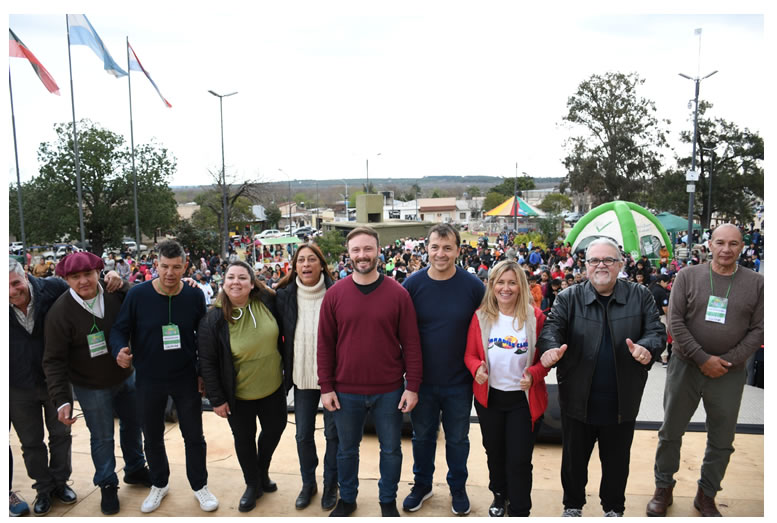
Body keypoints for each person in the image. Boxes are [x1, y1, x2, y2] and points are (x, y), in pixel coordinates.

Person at [537, 237, 666, 517]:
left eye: (608, 260)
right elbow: (552, 328)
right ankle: (572, 505)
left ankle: (613, 508)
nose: (601, 265)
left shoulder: (639, 295)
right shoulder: (569, 297)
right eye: (594, 260)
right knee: (573, 460)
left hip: (622, 398)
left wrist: (648, 347)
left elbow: (656, 331)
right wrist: (549, 349)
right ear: (585, 266)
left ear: (621, 264)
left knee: (617, 461)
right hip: (577, 397)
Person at [646, 224, 764, 517]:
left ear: (742, 247)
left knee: (723, 439)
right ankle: (663, 488)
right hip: (686, 366)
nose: (727, 249)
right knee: (671, 431)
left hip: (729, 372)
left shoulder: (757, 283)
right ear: (708, 245)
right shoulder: (688, 276)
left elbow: (759, 328)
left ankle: (706, 494)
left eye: (734, 243)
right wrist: (702, 358)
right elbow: (675, 322)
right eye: (720, 242)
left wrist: (727, 360)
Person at [317, 226, 423, 517]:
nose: (362, 255)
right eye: (356, 250)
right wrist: (326, 387)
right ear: (348, 254)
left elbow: (412, 344)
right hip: (345, 391)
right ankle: (348, 499)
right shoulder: (335, 295)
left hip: (389, 390)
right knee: (346, 451)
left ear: (378, 251)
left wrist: (412, 386)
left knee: (391, 450)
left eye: (367, 249)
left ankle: (387, 500)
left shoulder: (398, 294)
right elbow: (324, 345)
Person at [110, 239, 218, 514]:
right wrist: (118, 351)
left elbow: (203, 338)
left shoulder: (194, 295)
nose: (170, 273)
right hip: (148, 378)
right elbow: (119, 329)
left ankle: (200, 486)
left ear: (185, 267)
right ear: (155, 266)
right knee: (153, 436)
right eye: (165, 266)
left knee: (194, 435)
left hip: (185, 377)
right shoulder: (138, 295)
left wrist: (203, 373)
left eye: (176, 267)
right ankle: (159, 483)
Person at [42, 252, 150, 515]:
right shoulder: (60, 313)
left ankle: (135, 468)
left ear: (99, 272)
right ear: (66, 279)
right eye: (75, 277)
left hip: (126, 375)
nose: (83, 281)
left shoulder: (115, 292)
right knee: (102, 437)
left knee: (133, 425)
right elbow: (53, 360)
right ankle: (107, 483)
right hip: (90, 387)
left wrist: (123, 282)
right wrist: (62, 400)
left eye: (88, 274)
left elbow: (143, 300)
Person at [401, 224, 485, 515]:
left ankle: (457, 487)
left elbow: (489, 323)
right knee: (422, 437)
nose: (441, 253)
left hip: (459, 382)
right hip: (421, 382)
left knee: (458, 439)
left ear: (458, 251)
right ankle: (422, 485)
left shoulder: (473, 286)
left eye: (447, 247)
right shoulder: (412, 285)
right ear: (427, 248)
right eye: (435, 247)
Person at [198, 261, 287, 512]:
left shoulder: (268, 302)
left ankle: (262, 472)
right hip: (238, 395)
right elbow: (208, 362)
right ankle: (252, 484)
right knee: (244, 439)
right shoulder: (213, 319)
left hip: (272, 388)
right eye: (230, 278)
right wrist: (216, 399)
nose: (235, 282)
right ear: (223, 283)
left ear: (251, 283)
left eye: (242, 278)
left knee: (274, 430)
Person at [464, 260, 549, 517]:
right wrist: (476, 367)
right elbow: (469, 354)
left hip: (523, 401)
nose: (506, 288)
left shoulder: (536, 318)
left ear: (521, 286)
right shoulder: (481, 316)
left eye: (512, 282)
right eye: (500, 282)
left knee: (520, 459)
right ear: (492, 285)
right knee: (495, 453)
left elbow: (545, 359)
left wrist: (534, 374)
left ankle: (521, 507)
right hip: (490, 400)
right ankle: (499, 495)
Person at [275, 244, 339, 511]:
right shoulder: (284, 295)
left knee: (333, 436)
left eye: (312, 259)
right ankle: (308, 483)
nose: (306, 264)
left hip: (333, 379)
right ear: (294, 266)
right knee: (303, 435)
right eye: (301, 260)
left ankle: (331, 485)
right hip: (301, 378)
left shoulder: (337, 292)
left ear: (321, 264)